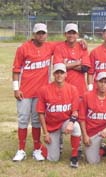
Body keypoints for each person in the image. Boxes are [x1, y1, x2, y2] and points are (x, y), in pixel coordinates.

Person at [12, 23, 55, 162]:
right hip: (24, 92)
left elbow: (66, 43)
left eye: (43, 33)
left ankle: (37, 149)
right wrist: (16, 88)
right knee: (23, 119)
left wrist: (80, 41)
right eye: (39, 33)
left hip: (41, 93)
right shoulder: (23, 48)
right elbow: (16, 69)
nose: (41, 35)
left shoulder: (49, 46)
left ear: (46, 34)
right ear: (34, 34)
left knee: (37, 121)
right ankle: (21, 149)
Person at [37, 63, 81, 167]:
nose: (59, 75)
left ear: (66, 74)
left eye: (62, 72)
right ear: (53, 74)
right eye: (57, 72)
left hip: (65, 122)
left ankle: (74, 157)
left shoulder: (72, 89)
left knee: (76, 127)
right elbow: (41, 113)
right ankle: (41, 147)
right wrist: (45, 133)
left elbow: (75, 111)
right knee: (53, 159)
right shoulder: (44, 89)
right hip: (51, 125)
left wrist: (71, 122)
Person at [53, 23, 90, 98]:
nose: (71, 35)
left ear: (77, 35)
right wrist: (77, 62)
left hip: (80, 90)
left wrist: (66, 65)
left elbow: (85, 68)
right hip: (63, 89)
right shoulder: (59, 48)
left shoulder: (82, 47)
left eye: (74, 33)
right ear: (65, 34)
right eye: (69, 33)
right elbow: (58, 68)